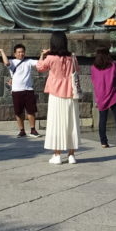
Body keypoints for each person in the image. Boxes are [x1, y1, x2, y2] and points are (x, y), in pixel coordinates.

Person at [35, 31, 80, 164]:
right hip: (71, 93)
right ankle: (71, 155)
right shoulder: (72, 57)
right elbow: (77, 70)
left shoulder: (50, 58)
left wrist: (43, 55)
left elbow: (40, 67)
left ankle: (57, 155)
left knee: (56, 123)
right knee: (72, 123)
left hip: (56, 93)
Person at [0, 45, 40, 138]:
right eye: (19, 52)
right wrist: (2, 51)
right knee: (18, 112)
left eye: (22, 52)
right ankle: (22, 131)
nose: (21, 54)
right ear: (15, 54)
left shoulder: (29, 61)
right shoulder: (12, 62)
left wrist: (42, 54)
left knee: (31, 111)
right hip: (17, 90)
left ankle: (33, 130)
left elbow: (40, 63)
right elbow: (6, 63)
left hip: (28, 89)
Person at [89, 46, 116, 149]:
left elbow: (94, 82)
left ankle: (104, 142)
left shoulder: (93, 68)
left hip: (100, 96)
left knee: (102, 119)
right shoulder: (113, 64)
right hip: (114, 95)